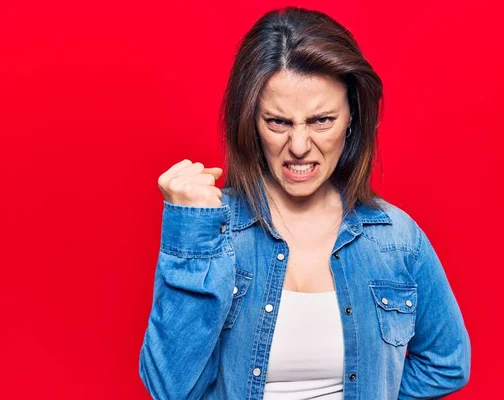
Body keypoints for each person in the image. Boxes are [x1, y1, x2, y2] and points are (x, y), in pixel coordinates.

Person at [139, 6, 471, 400]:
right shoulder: (214, 230)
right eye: (277, 122)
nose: (298, 147)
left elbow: (447, 364)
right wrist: (189, 230)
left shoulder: (396, 239)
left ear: (352, 118)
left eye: (321, 121)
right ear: (251, 121)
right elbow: (168, 389)